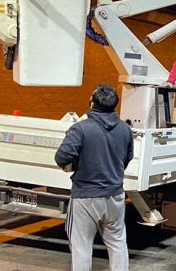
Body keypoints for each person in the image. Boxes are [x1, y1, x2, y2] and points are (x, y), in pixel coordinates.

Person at [55, 84, 133, 271]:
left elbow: (61, 157)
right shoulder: (125, 129)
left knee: (81, 247)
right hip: (115, 194)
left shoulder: (81, 129)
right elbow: (127, 157)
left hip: (85, 196)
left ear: (92, 104)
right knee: (117, 242)